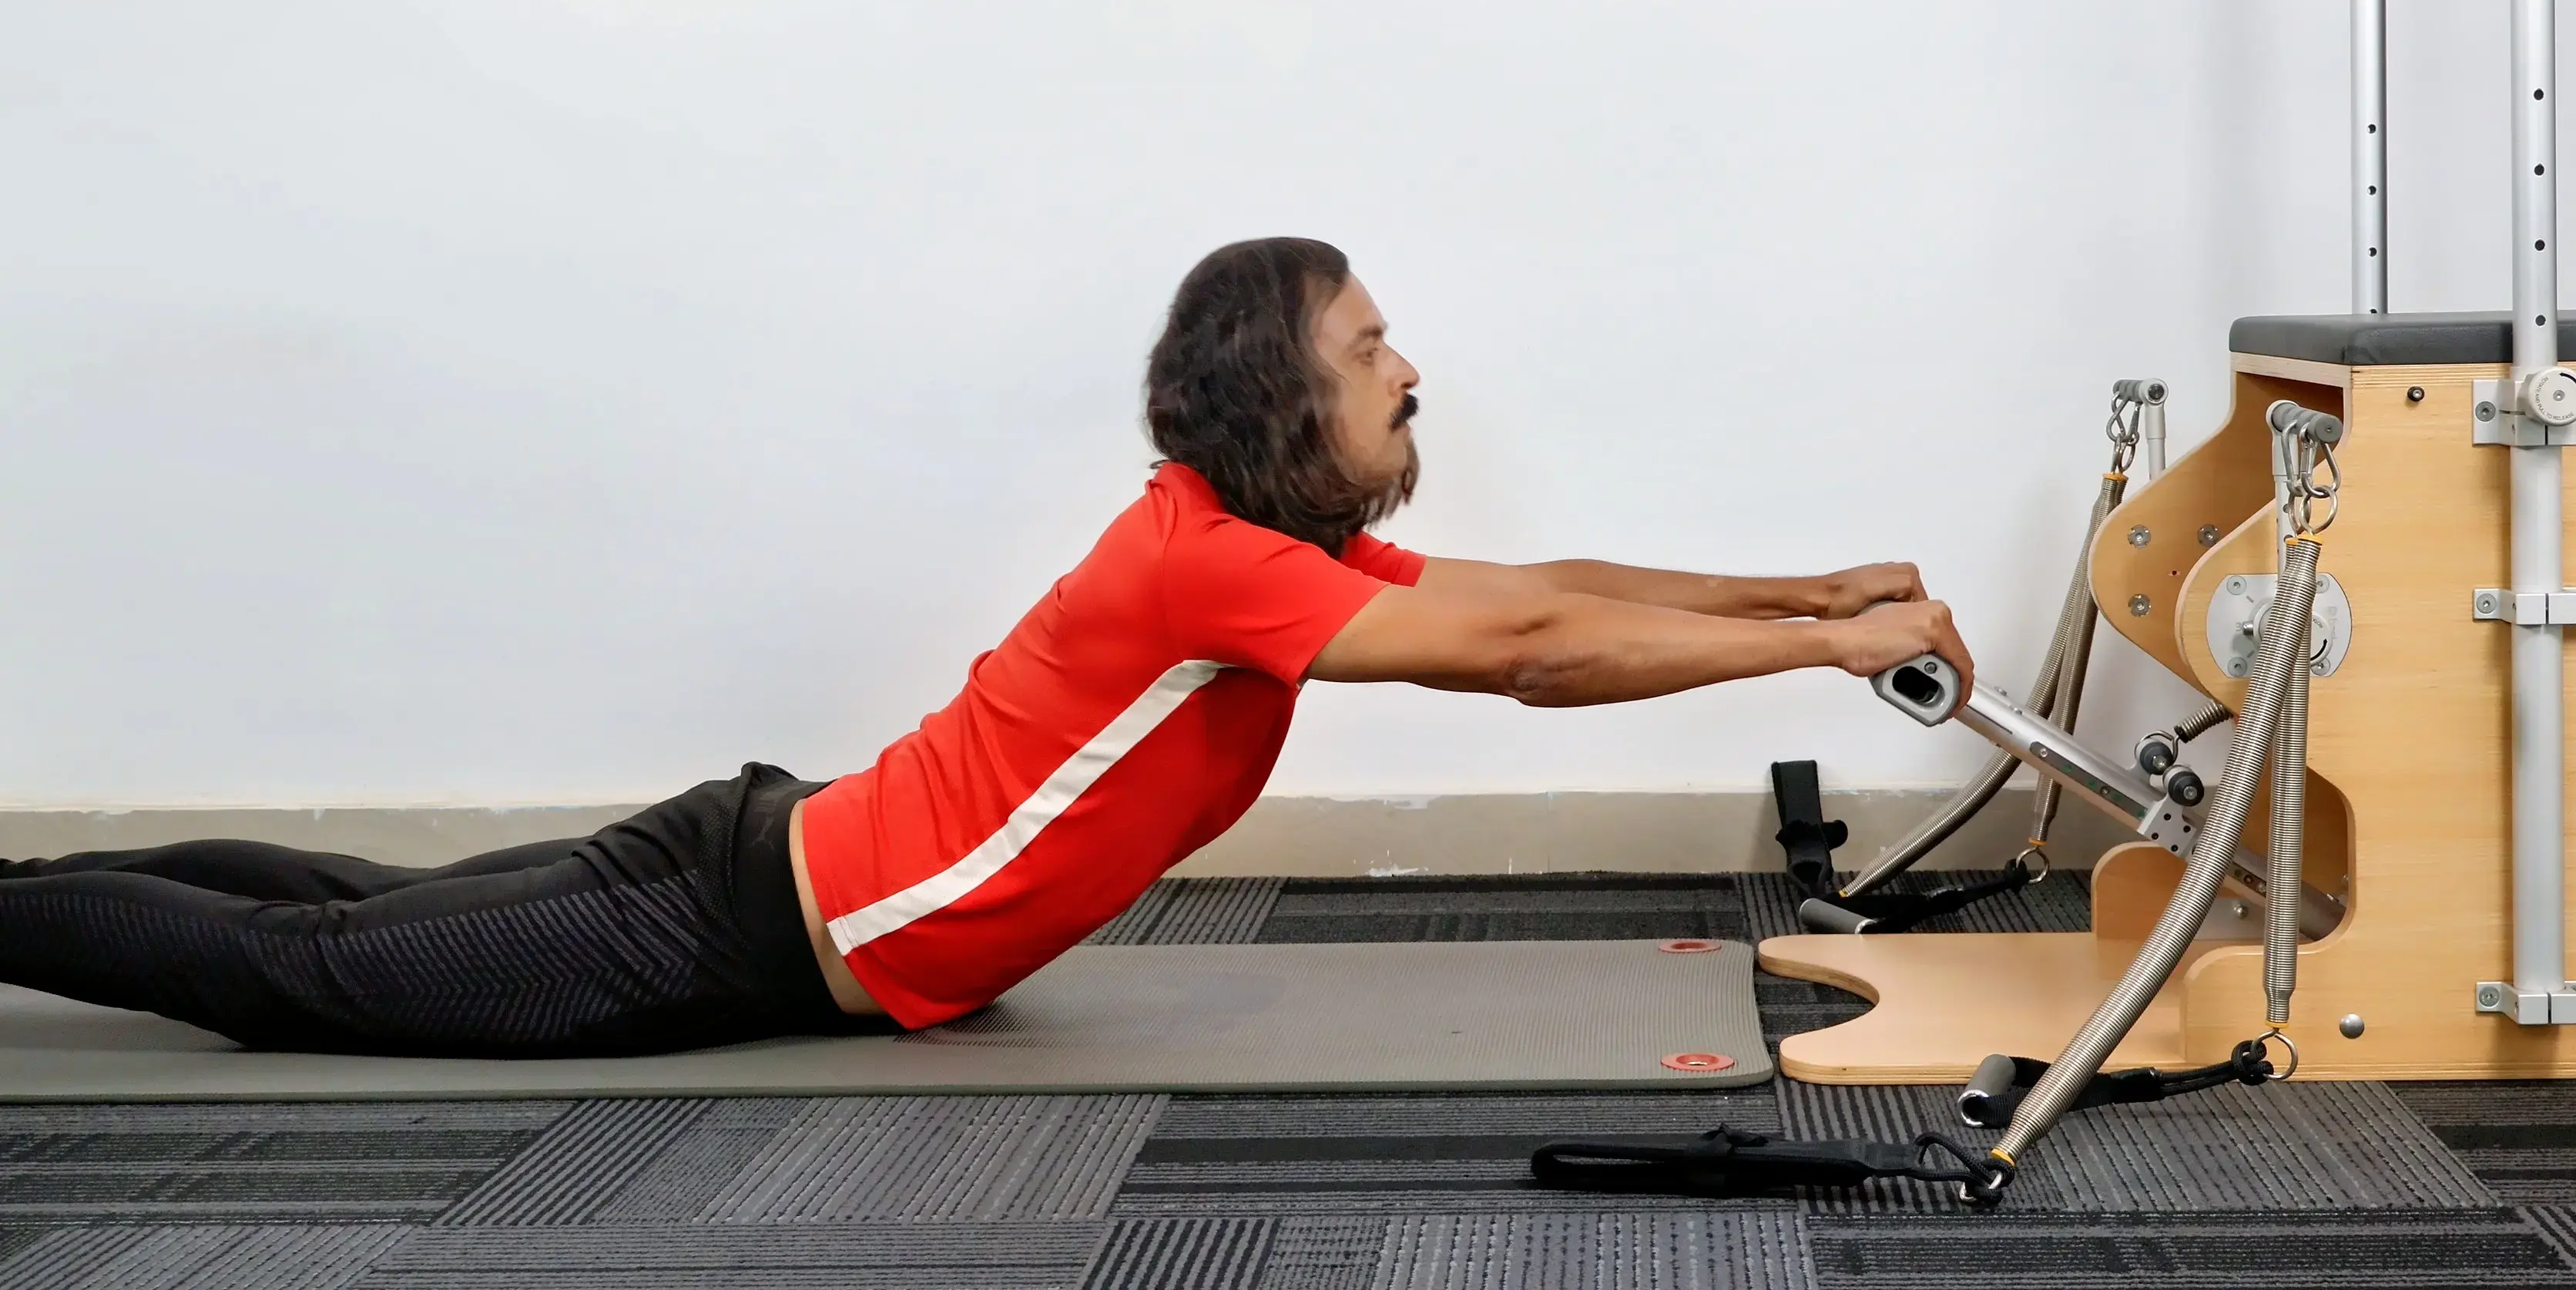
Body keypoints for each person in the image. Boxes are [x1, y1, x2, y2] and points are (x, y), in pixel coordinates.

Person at [0, 238, 1974, 1056]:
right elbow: (1536, 648)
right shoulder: (1222, 572)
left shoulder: (1247, 546)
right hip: (745, 920)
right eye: (1371, 352)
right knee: (308, 979)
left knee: (351, 916)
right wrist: (1812, 660)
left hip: (760, 851)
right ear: (1283, 394)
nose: (1410, 369)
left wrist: (1811, 598)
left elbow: (1545, 582)